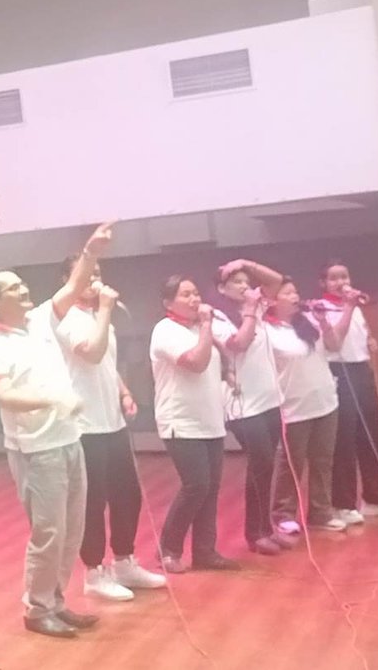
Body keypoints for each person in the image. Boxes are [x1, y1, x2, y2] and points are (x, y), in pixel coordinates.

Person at [0, 222, 114, 639]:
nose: (23, 290)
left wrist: (90, 252)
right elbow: (6, 397)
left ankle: (55, 600)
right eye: (12, 288)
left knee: (71, 531)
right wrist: (53, 400)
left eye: (21, 284)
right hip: (37, 450)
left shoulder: (39, 321)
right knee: (49, 532)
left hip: (69, 440)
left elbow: (74, 286)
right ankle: (37, 609)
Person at [52, 256, 167, 602]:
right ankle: (94, 572)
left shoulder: (100, 319)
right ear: (68, 280)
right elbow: (90, 352)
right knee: (93, 501)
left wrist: (124, 391)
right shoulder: (65, 318)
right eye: (86, 275)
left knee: (127, 494)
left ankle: (124, 561)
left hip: (112, 422)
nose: (94, 280)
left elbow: (106, 364)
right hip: (84, 426)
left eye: (98, 274)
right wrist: (104, 309)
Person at [149, 276, 241, 574]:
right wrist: (205, 325)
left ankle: (205, 552)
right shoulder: (165, 330)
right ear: (168, 302)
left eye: (196, 293)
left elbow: (216, 361)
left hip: (210, 419)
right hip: (181, 420)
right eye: (186, 294)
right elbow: (196, 363)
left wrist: (228, 374)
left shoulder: (198, 329)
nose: (194, 299)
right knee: (196, 485)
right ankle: (168, 549)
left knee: (210, 489)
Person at [213, 260, 295, 556]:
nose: (244, 285)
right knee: (260, 462)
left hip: (269, 401)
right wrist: (250, 310)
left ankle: (266, 528)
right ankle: (255, 533)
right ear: (221, 289)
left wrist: (246, 263)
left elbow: (276, 281)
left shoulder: (257, 307)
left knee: (267, 465)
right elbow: (238, 344)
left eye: (246, 281)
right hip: (243, 407)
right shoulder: (217, 318)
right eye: (236, 281)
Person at [313, 262, 378, 524]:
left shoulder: (356, 307)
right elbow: (334, 343)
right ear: (323, 283)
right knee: (344, 439)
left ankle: (375, 498)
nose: (341, 282)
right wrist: (349, 308)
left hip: (362, 370)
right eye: (334, 278)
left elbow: (360, 335)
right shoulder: (321, 309)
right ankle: (342, 504)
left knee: (372, 435)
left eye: (344, 276)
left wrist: (370, 339)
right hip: (338, 372)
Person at [263, 277, 348, 535]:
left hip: (325, 400)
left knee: (323, 461)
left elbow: (334, 346)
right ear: (272, 301)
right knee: (292, 463)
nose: (294, 297)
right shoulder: (266, 330)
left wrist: (323, 322)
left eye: (295, 292)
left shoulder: (309, 322)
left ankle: (321, 512)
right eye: (287, 293)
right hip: (293, 407)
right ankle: (283, 514)